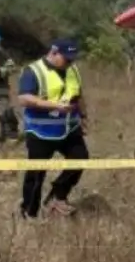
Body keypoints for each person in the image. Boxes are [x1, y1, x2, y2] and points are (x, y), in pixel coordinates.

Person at [15, 39, 90, 218]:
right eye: (67, 58)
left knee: (80, 158)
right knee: (36, 174)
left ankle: (58, 196)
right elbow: (24, 98)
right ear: (54, 53)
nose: (70, 62)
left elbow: (78, 94)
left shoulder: (72, 69)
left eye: (73, 59)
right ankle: (28, 212)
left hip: (69, 128)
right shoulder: (33, 71)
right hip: (41, 131)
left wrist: (84, 116)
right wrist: (54, 106)